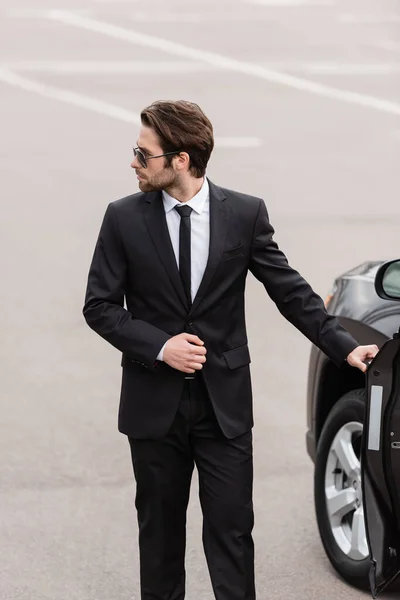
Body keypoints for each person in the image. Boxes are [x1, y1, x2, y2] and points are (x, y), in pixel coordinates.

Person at [83, 100, 378, 600]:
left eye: (143, 153)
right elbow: (100, 306)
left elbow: (290, 291)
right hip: (153, 407)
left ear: (181, 160)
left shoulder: (243, 214)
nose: (133, 161)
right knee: (159, 540)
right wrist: (161, 347)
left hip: (224, 408)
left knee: (233, 537)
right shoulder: (123, 218)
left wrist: (344, 347)